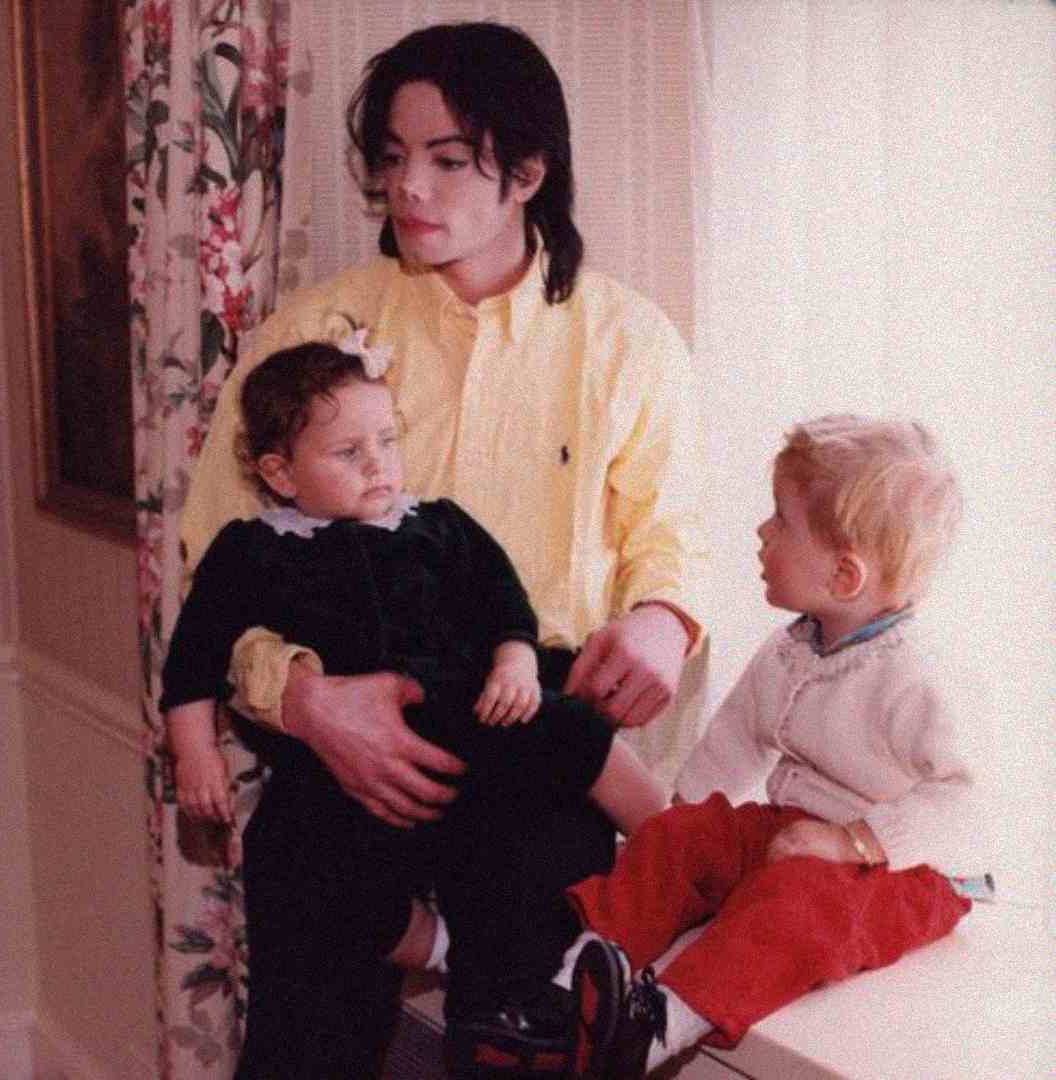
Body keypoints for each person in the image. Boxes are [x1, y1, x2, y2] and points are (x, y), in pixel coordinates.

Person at [177, 21, 707, 1078]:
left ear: (528, 173)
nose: (407, 187)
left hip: (530, 744)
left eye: (448, 159)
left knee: (524, 1055)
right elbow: (216, 564)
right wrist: (303, 701)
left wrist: (661, 617)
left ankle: (696, 857)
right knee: (300, 1058)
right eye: (392, 157)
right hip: (342, 749)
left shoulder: (628, 342)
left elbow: (670, 538)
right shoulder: (313, 334)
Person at [161, 336, 667, 916]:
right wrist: (196, 753)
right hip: (343, 751)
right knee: (291, 867)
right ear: (281, 473)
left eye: (388, 440)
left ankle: (674, 838)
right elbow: (194, 658)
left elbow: (504, 601)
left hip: (464, 706)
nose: (377, 464)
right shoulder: (250, 549)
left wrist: (516, 662)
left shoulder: (439, 524)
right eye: (348, 452)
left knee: (571, 728)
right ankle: (430, 947)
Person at [564, 415, 981, 1078]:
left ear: (844, 575)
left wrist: (855, 843)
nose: (762, 532)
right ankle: (571, 978)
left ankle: (662, 1020)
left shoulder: (915, 677)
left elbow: (969, 798)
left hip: (899, 869)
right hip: (796, 828)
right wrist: (687, 822)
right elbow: (736, 738)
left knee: (799, 905)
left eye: (781, 521)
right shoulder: (793, 648)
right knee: (680, 836)